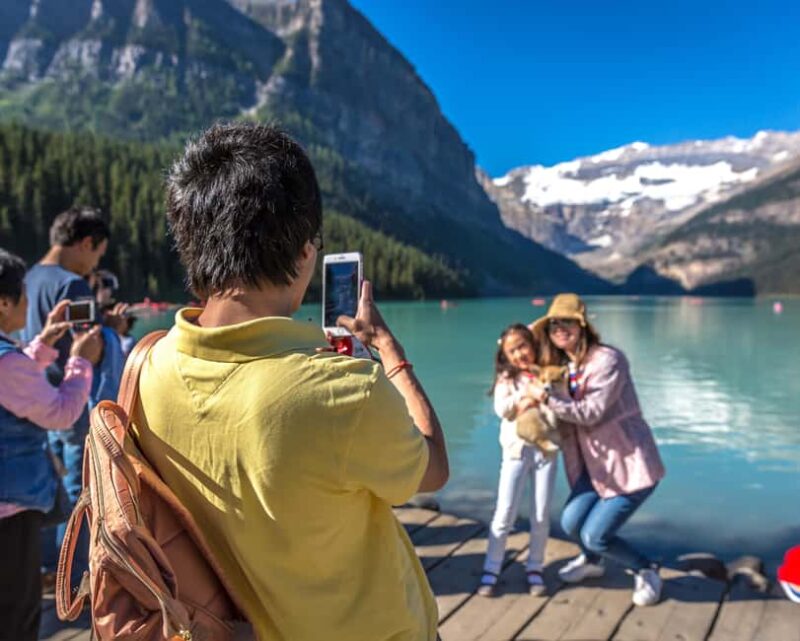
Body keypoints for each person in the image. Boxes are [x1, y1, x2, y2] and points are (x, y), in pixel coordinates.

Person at [134, 122, 449, 641]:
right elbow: (432, 470)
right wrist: (391, 353)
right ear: (306, 253)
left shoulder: (147, 367)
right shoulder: (343, 391)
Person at [529, 293, 666, 606]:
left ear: (582, 325)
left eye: (566, 322)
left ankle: (646, 568)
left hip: (629, 464)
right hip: (594, 466)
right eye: (552, 325)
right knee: (571, 523)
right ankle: (593, 561)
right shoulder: (564, 365)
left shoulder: (608, 360)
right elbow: (521, 345)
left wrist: (546, 398)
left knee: (595, 534)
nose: (559, 329)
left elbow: (591, 412)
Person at [0, 249, 101, 641]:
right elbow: (61, 413)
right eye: (22, 295)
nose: (28, 303)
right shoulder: (8, 365)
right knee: (18, 615)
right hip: (12, 512)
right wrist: (81, 364)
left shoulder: (10, 361)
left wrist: (43, 342)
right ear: (4, 303)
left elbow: (14, 383)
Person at [21, 206, 109, 587]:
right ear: (86, 243)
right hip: (68, 401)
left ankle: (42, 570)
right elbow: (90, 346)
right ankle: (70, 581)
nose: (94, 263)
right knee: (77, 494)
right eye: (98, 253)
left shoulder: (27, 277)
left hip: (32, 400)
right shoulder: (71, 284)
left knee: (43, 492)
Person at [478, 323, 557, 597]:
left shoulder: (546, 372)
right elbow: (502, 409)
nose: (519, 354)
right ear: (505, 356)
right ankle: (492, 568)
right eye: (512, 351)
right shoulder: (506, 379)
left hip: (546, 450)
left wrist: (538, 397)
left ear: (533, 344)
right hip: (515, 451)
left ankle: (535, 566)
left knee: (540, 513)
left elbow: (556, 402)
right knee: (504, 512)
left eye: (523, 346)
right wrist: (526, 397)